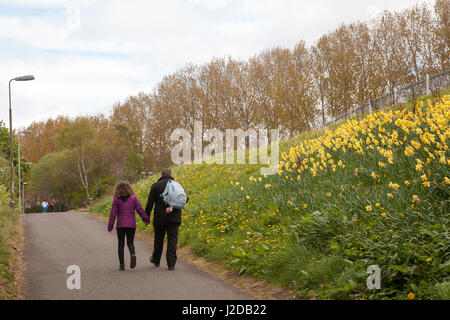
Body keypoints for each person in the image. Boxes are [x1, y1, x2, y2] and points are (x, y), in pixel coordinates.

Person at [145, 169, 188, 271]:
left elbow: (150, 203)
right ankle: (171, 263)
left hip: (160, 217)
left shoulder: (155, 186)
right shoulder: (177, 185)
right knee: (172, 239)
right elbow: (185, 199)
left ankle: (156, 260)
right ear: (170, 175)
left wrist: (146, 217)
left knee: (158, 239)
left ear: (161, 175)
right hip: (174, 217)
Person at [108, 181, 150, 271]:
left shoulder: (116, 199)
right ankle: (132, 254)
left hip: (120, 225)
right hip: (131, 224)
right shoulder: (133, 198)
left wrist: (110, 226)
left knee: (121, 244)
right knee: (130, 243)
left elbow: (113, 213)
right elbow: (140, 210)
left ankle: (122, 265)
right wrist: (146, 219)